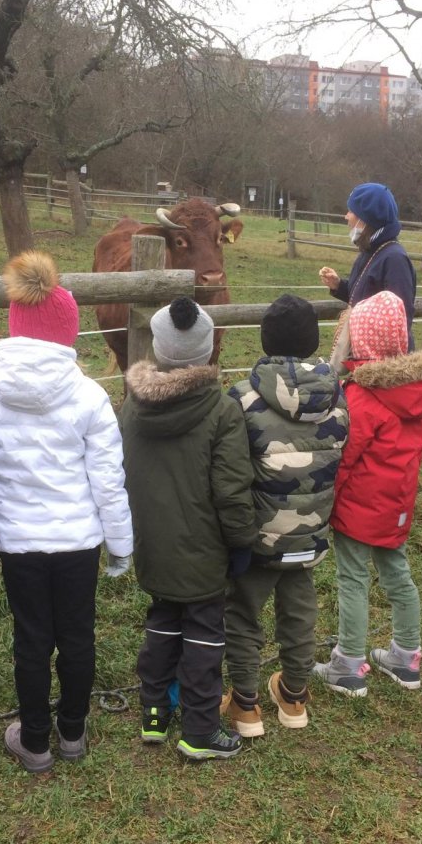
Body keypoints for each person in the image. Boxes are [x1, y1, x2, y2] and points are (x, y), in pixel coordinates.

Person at [0, 251, 133, 773]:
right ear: (68, 332)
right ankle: (73, 732)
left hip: (19, 542)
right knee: (78, 634)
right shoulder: (89, 396)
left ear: (16, 326)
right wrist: (120, 544)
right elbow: (107, 479)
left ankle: (35, 740)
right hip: (77, 541)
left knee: (31, 639)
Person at [120, 297, 256, 760]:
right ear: (208, 349)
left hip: (152, 543)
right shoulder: (222, 411)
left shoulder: (132, 408)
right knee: (203, 634)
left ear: (159, 348)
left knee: (162, 620)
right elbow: (232, 491)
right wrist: (241, 542)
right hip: (203, 548)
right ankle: (200, 730)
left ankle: (154, 714)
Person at [222, 295, 348, 737]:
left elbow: (230, 468)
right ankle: (294, 697)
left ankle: (245, 705)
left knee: (242, 613)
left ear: (265, 340)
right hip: (310, 532)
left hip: (258, 537)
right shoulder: (338, 400)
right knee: (299, 610)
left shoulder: (241, 398)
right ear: (312, 340)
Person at [312, 292, 422, 697]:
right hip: (397, 503)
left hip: (358, 505)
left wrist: (326, 500)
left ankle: (349, 664)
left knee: (353, 579)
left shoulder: (363, 395)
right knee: (397, 574)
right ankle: (406, 656)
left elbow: (346, 457)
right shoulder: (419, 390)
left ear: (363, 339)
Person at [317, 182, 417, 346]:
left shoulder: (394, 260)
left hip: (382, 358)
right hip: (365, 353)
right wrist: (339, 285)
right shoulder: (370, 251)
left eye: (351, 211)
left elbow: (398, 321)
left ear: (366, 218)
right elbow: (364, 299)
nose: (346, 216)